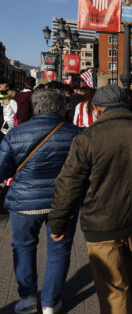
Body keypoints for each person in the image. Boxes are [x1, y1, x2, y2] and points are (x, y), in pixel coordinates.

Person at [48, 84, 132, 314]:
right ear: (125, 105)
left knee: (113, 288)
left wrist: (58, 222)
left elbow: (68, 185)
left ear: (98, 109)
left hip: (102, 223)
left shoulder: (87, 138)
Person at [0, 88, 82, 314]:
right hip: (63, 202)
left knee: (23, 247)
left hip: (24, 202)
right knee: (59, 250)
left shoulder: (15, 134)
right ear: (59, 107)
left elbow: (2, 170)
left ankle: (27, 297)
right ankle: (49, 302)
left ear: (35, 108)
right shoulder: (76, 134)